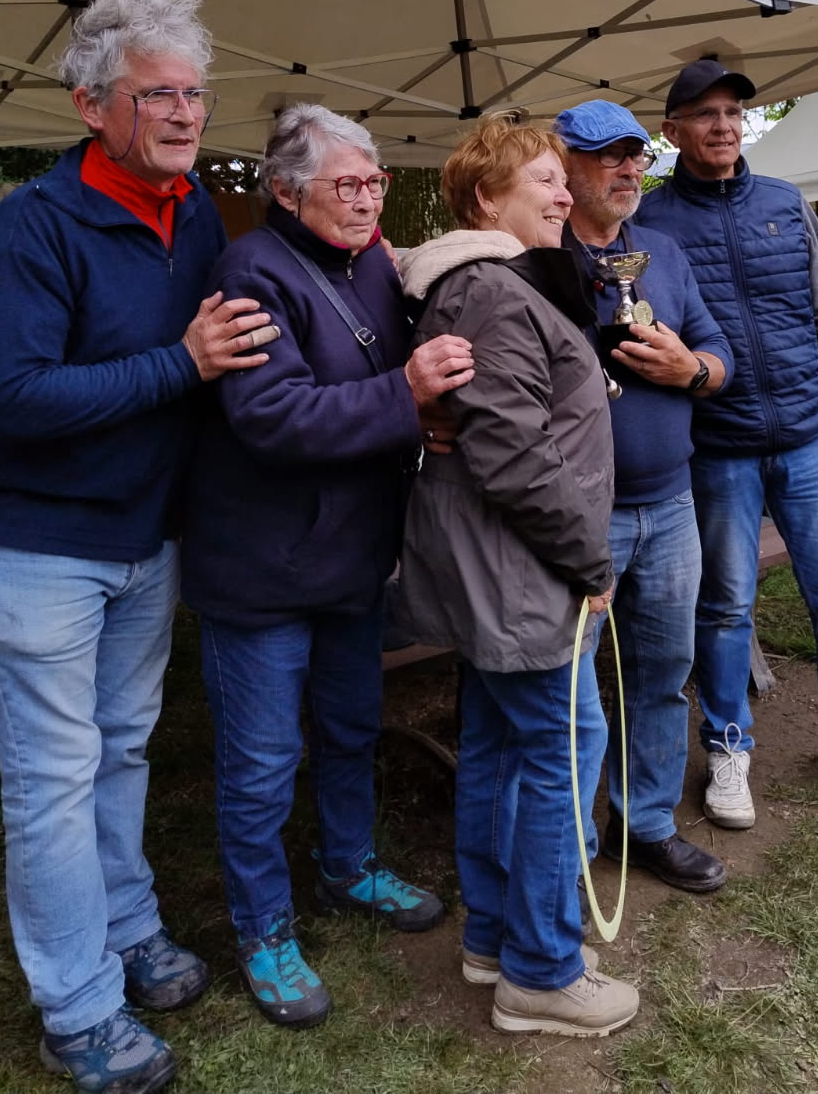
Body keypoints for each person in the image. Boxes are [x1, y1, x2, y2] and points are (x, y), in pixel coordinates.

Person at [0, 0, 279, 1094]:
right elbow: (20, 398)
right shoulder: (32, 224)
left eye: (196, 93)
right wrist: (182, 363)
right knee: (52, 778)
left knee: (123, 747)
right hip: (37, 541)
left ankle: (127, 927)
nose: (185, 113)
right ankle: (78, 1007)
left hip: (146, 535)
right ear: (92, 106)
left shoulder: (194, 213)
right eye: (157, 94)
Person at [180, 104, 469, 1028]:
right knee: (262, 761)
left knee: (350, 728)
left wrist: (422, 414)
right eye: (346, 184)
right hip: (261, 568)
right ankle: (263, 928)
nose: (367, 198)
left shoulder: (374, 264)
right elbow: (271, 416)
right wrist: (405, 392)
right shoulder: (250, 272)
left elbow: (385, 385)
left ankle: (348, 865)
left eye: (374, 181)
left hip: (351, 557)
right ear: (285, 189)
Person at [636, 58, 818, 830]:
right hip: (716, 444)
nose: (724, 125)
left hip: (804, 438)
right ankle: (728, 742)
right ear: (672, 131)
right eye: (705, 114)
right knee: (725, 605)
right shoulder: (651, 223)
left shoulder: (784, 202)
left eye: (733, 112)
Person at [398, 116, 639, 1039]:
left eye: (560, 178)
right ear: (484, 198)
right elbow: (514, 456)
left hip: (504, 568)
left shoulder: (491, 284)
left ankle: (495, 939)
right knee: (561, 748)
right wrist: (590, 558)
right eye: (542, 178)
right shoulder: (492, 291)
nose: (563, 192)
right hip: (524, 570)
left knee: (501, 747)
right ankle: (540, 970)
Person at [551, 99, 733, 895]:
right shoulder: (536, 256)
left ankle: (646, 822)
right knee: (567, 690)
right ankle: (569, 849)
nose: (630, 168)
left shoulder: (661, 250)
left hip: (671, 504)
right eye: (609, 155)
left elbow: (718, 348)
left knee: (662, 672)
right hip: (578, 514)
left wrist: (693, 369)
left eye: (637, 155)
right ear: (562, 165)